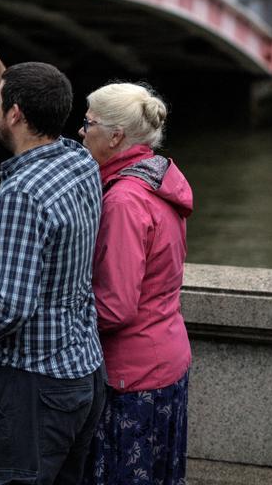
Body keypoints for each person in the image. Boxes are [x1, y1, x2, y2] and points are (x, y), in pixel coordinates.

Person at [0, 15, 105, 485]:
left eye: (2, 106)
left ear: (14, 115)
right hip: (83, 371)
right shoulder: (80, 161)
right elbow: (5, 99)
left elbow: (12, 305)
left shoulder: (21, 194)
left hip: (33, 387)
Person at [78, 82, 193, 485]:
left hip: (131, 374)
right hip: (166, 355)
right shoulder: (159, 180)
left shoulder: (124, 200)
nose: (81, 131)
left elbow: (115, 307)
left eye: (88, 122)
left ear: (115, 136)